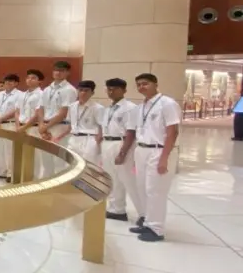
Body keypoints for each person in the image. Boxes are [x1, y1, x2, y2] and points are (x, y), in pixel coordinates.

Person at [117, 73, 181, 243]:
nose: (141, 87)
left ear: (155, 84)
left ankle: (156, 229)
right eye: (138, 85)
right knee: (143, 188)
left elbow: (173, 132)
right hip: (142, 150)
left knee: (155, 191)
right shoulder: (141, 107)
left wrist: (164, 158)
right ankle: (147, 222)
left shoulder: (167, 104)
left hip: (158, 150)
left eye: (145, 83)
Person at [100, 78, 139, 222]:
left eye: (115, 89)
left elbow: (131, 132)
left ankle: (142, 213)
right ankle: (116, 209)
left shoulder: (130, 108)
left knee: (126, 180)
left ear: (124, 90)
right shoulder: (108, 108)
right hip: (107, 143)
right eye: (109, 89)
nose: (111, 92)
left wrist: (123, 152)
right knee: (112, 178)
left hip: (120, 143)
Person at [38, 61, 78, 178]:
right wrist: (41, 125)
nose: (58, 73)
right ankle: (46, 182)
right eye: (56, 70)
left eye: (61, 71)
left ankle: (59, 185)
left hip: (59, 126)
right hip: (45, 126)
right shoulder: (47, 89)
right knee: (45, 158)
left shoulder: (69, 90)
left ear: (67, 73)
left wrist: (46, 126)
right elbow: (41, 108)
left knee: (58, 160)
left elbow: (63, 112)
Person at [60, 80, 103, 164]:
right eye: (81, 90)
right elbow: (70, 126)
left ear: (92, 93)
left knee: (88, 165)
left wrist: (98, 141)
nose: (83, 93)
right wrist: (60, 137)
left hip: (89, 139)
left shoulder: (98, 108)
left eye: (86, 91)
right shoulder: (72, 106)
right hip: (74, 138)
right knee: (70, 164)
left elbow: (101, 126)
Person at [0, 74, 21, 180]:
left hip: (10, 124)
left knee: (9, 150)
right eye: (6, 81)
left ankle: (11, 174)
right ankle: (1, 171)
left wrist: (1, 119)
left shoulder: (19, 95)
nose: (8, 83)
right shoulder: (0, 94)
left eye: (11, 81)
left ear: (16, 83)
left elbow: (16, 110)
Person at [17, 69, 45, 167]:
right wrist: (18, 126)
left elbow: (38, 114)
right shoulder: (22, 94)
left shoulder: (41, 94)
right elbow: (17, 111)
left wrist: (24, 127)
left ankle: (34, 175)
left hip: (33, 128)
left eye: (33, 78)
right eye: (28, 77)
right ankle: (22, 175)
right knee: (21, 154)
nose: (30, 79)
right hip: (20, 127)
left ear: (39, 81)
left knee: (35, 156)